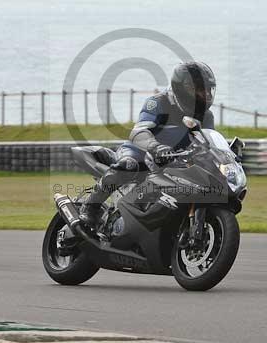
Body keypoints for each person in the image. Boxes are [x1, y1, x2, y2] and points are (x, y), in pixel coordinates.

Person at [78, 61, 217, 227]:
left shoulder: (206, 116)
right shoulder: (158, 102)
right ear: (184, 88)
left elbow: (208, 143)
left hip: (174, 161)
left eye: (209, 89)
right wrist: (156, 147)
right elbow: (138, 132)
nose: (207, 95)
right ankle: (90, 206)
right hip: (140, 152)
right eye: (202, 90)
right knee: (128, 165)